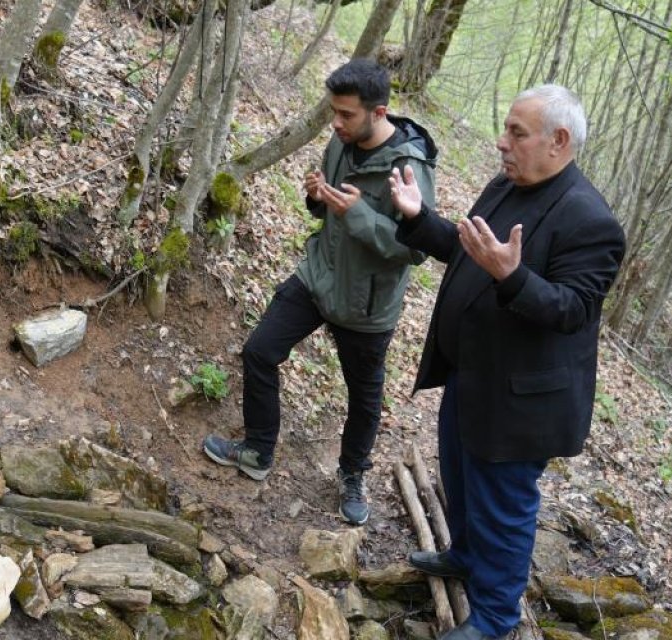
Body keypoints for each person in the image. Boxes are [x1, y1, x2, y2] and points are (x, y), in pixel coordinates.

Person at [387, 85, 625, 640]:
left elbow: (572, 310)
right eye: (506, 130)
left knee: (504, 506)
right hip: (471, 374)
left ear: (558, 141)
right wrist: (420, 219)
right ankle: (466, 556)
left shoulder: (591, 220)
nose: (502, 142)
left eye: (517, 133)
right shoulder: (507, 184)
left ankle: (495, 617)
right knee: (461, 480)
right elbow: (468, 249)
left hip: (521, 401)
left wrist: (512, 276)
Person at [202, 58, 437, 526]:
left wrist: (358, 214)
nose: (336, 122)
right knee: (260, 351)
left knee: (363, 399)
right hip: (317, 277)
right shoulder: (342, 141)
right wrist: (317, 197)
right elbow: (327, 211)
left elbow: (416, 248)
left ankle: (352, 474)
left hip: (366, 304)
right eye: (334, 111)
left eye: (346, 114)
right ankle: (258, 450)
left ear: (378, 112)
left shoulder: (408, 166)